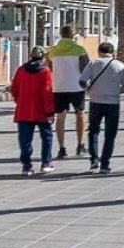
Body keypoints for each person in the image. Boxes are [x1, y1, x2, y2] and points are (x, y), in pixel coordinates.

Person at [81, 40, 124, 174]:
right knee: (110, 135)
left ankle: (94, 159)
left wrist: (88, 90)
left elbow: (81, 80)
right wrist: (115, 92)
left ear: (99, 52)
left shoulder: (93, 63)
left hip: (95, 101)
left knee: (93, 131)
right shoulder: (119, 65)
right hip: (113, 103)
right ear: (112, 52)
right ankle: (105, 164)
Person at [11, 46, 55, 175]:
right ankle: (46, 162)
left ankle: (26, 166)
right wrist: (50, 111)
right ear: (43, 57)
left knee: (25, 140)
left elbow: (15, 89)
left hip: (24, 110)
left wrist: (19, 101)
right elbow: (48, 91)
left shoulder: (21, 70)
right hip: (42, 110)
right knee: (46, 137)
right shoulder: (45, 71)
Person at [47, 25, 90, 156]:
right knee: (80, 114)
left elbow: (49, 69)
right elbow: (86, 69)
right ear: (73, 35)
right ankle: (80, 145)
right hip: (76, 87)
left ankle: (62, 148)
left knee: (60, 117)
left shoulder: (52, 51)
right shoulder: (80, 50)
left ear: (61, 34)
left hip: (59, 87)